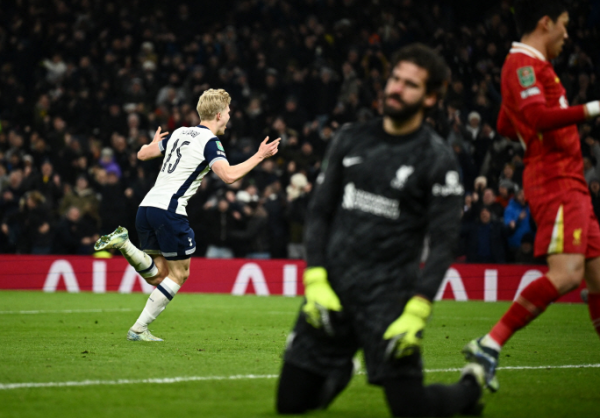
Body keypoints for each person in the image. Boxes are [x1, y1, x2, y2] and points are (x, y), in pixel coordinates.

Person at [276, 44, 484, 417]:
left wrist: (418, 310)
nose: (396, 89)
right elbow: (320, 212)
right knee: (290, 404)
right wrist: (315, 279)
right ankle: (339, 368)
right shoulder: (350, 138)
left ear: (431, 97)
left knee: (411, 409)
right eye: (394, 79)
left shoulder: (437, 159)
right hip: (333, 292)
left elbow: (443, 243)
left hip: (388, 301)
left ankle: (469, 388)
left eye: (410, 85)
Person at [464, 0, 600, 393]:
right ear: (545, 22)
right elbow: (536, 118)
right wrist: (592, 107)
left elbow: (507, 121)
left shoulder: (530, 68)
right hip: (555, 179)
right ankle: (490, 344)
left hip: (569, 178)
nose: (567, 34)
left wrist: (523, 120)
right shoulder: (523, 65)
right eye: (564, 25)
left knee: (597, 279)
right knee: (568, 275)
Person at [94, 89, 280, 341]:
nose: (229, 115)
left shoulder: (180, 132)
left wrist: (152, 143)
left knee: (159, 275)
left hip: (146, 208)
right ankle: (138, 329)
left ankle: (125, 244)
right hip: (169, 211)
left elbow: (142, 154)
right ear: (218, 115)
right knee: (179, 274)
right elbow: (228, 176)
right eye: (227, 111)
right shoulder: (210, 142)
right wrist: (260, 155)